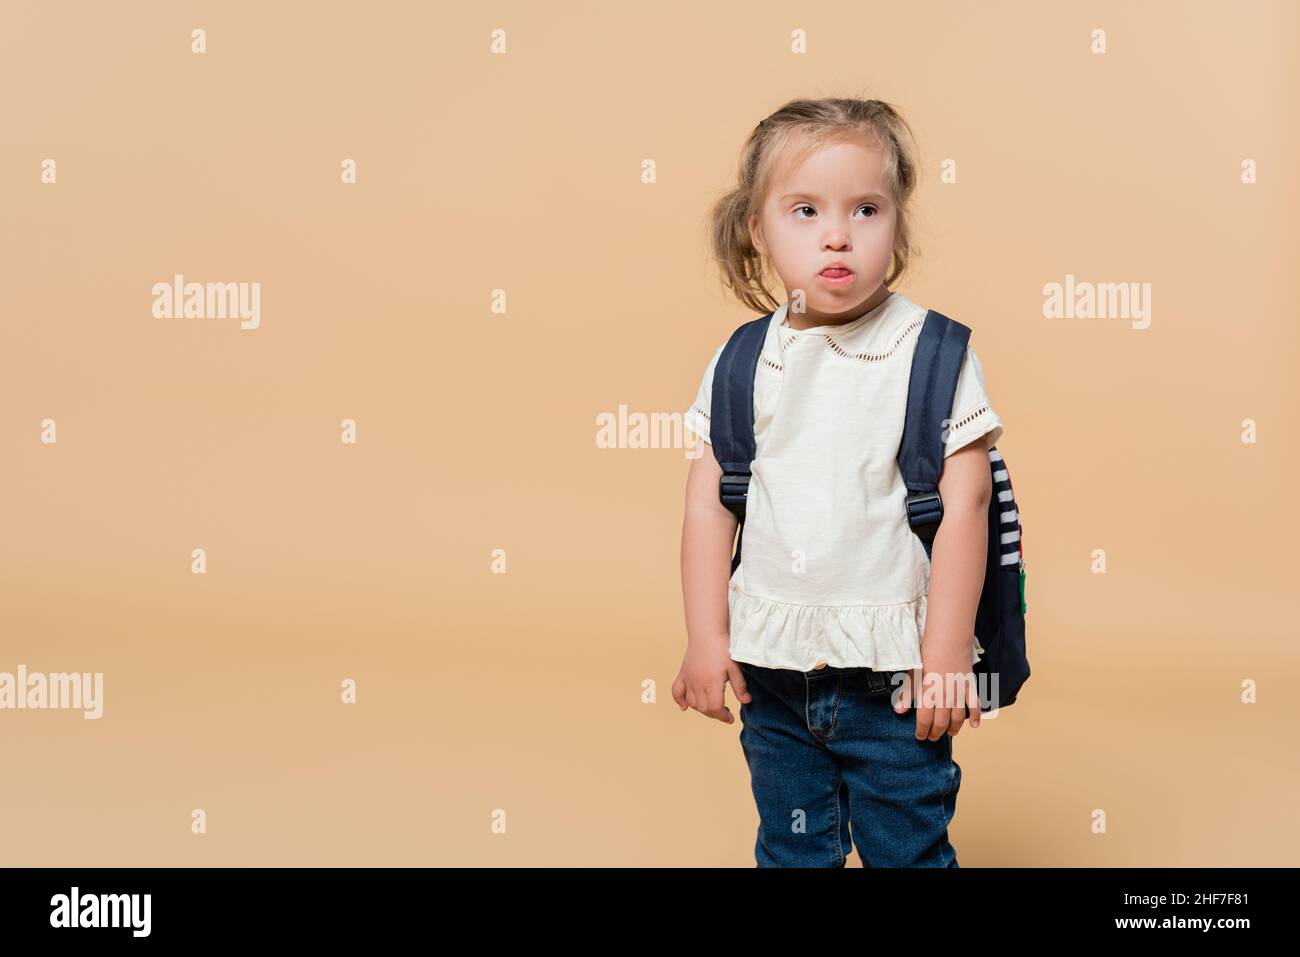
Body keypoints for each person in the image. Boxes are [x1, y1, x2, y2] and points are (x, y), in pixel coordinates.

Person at [673, 98, 1005, 867]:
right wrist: (705, 636)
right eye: (804, 210)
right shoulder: (742, 360)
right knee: (791, 848)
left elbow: (966, 503)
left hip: (895, 671)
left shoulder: (930, 351)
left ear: (898, 222)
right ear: (757, 230)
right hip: (773, 672)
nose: (837, 234)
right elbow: (707, 503)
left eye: (865, 208)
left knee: (908, 848)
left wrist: (950, 652)